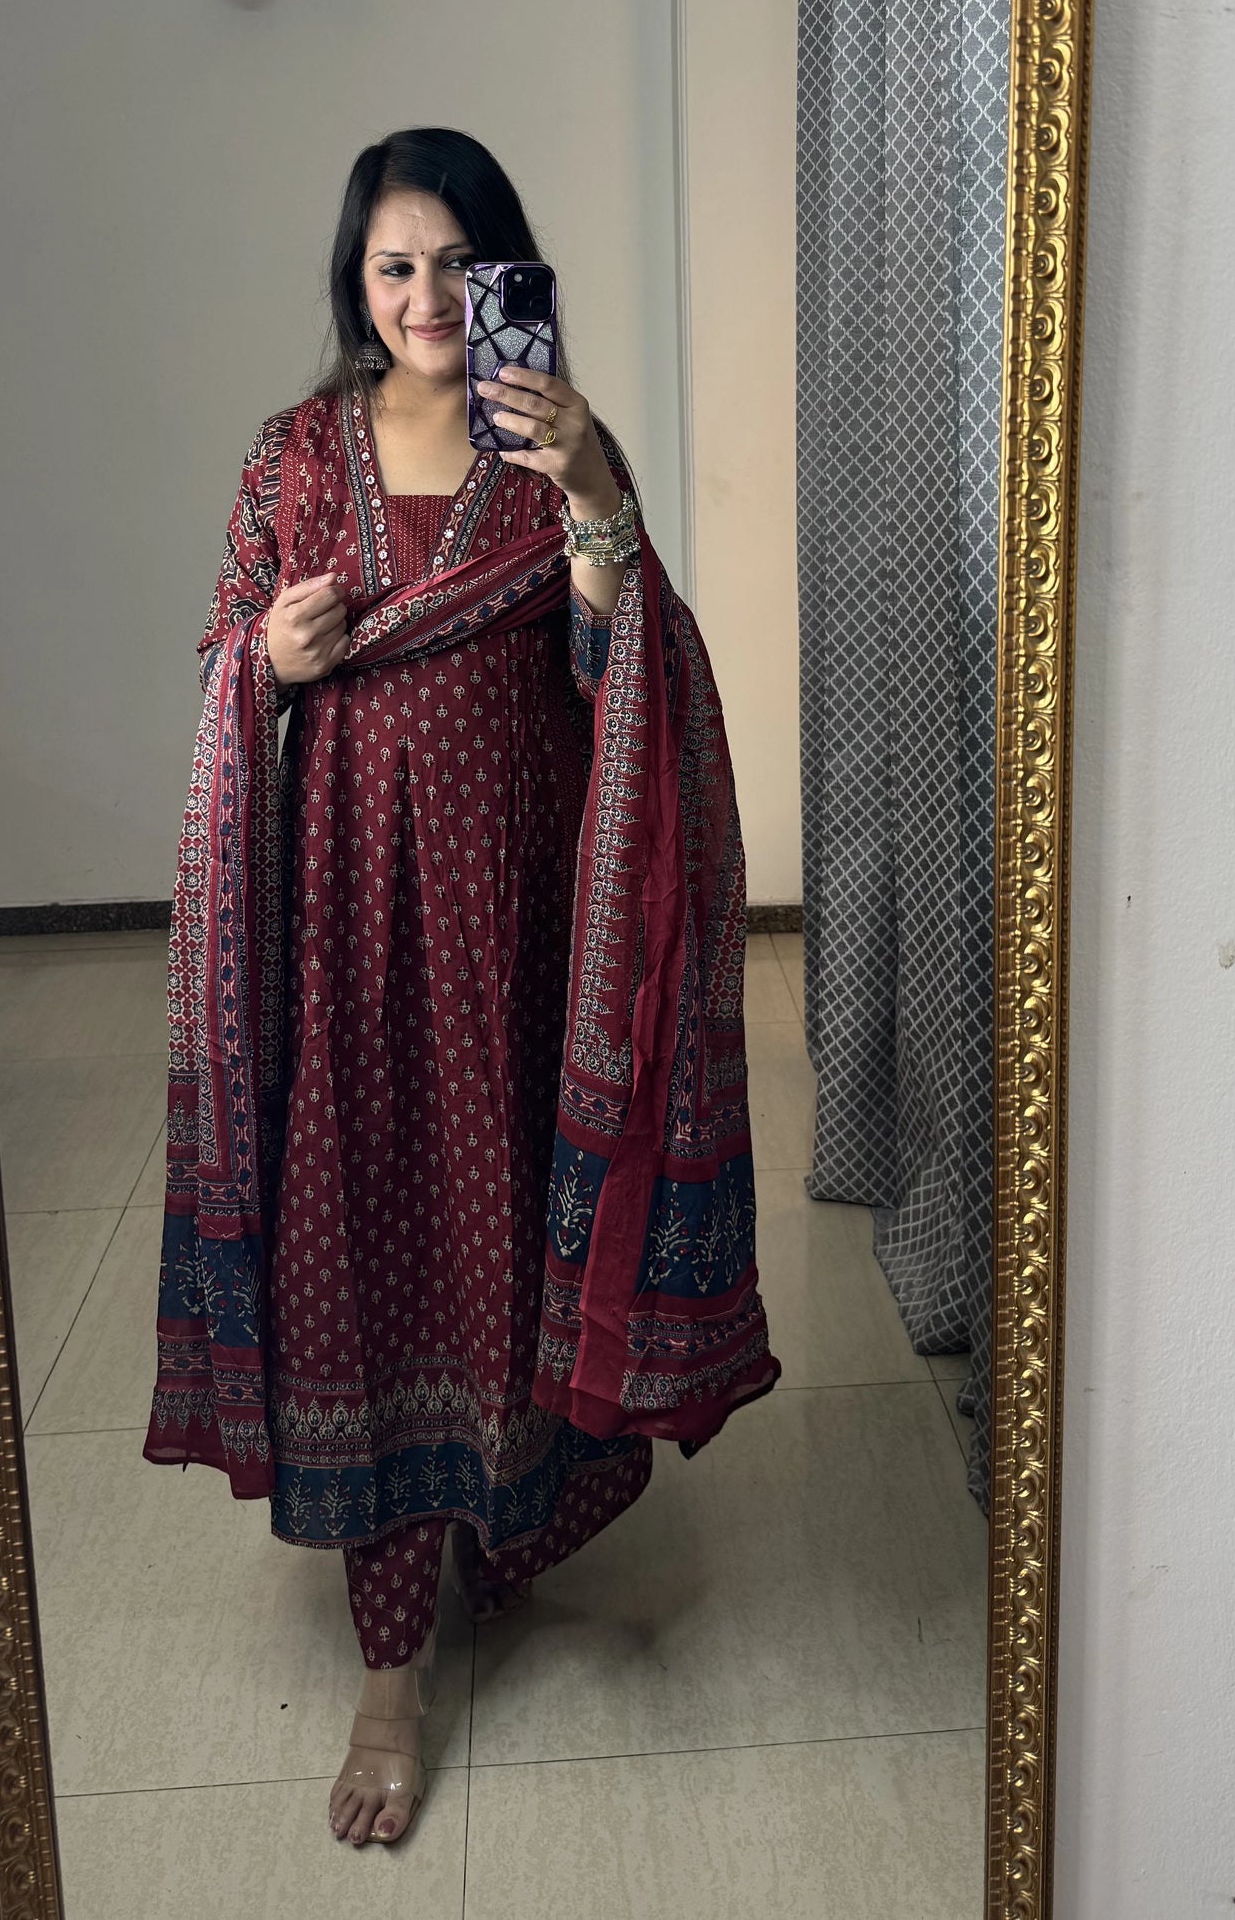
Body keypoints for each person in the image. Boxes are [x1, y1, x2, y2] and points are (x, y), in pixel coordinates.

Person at [143, 130, 777, 1847]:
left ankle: (497, 1516)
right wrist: (264, 663)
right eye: (394, 267)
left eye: (457, 263)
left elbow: (613, 657)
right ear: (356, 286)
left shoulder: (550, 440)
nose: (428, 297)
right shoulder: (295, 453)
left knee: (498, 1229)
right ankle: (387, 1672)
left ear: (509, 271)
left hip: (518, 931)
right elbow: (226, 651)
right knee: (365, 1239)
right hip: (346, 936)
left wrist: (594, 496)